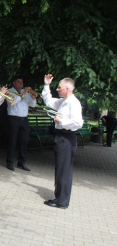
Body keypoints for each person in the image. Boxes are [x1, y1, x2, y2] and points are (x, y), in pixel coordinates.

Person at [42, 74, 83, 209]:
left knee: (63, 170)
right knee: (61, 168)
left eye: (60, 88)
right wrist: (46, 85)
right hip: (61, 137)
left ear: (67, 88)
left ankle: (61, 201)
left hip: (66, 137)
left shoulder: (73, 102)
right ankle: (59, 197)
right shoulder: (63, 101)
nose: (58, 90)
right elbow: (48, 101)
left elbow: (78, 123)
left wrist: (61, 121)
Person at [5, 76, 36, 171]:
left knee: (24, 141)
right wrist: (24, 93)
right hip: (13, 119)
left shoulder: (25, 92)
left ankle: (21, 162)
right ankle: (9, 162)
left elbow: (32, 105)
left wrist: (33, 97)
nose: (20, 84)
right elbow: (12, 102)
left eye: (21, 82)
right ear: (14, 83)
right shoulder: (9, 91)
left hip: (24, 119)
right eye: (18, 82)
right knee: (12, 141)